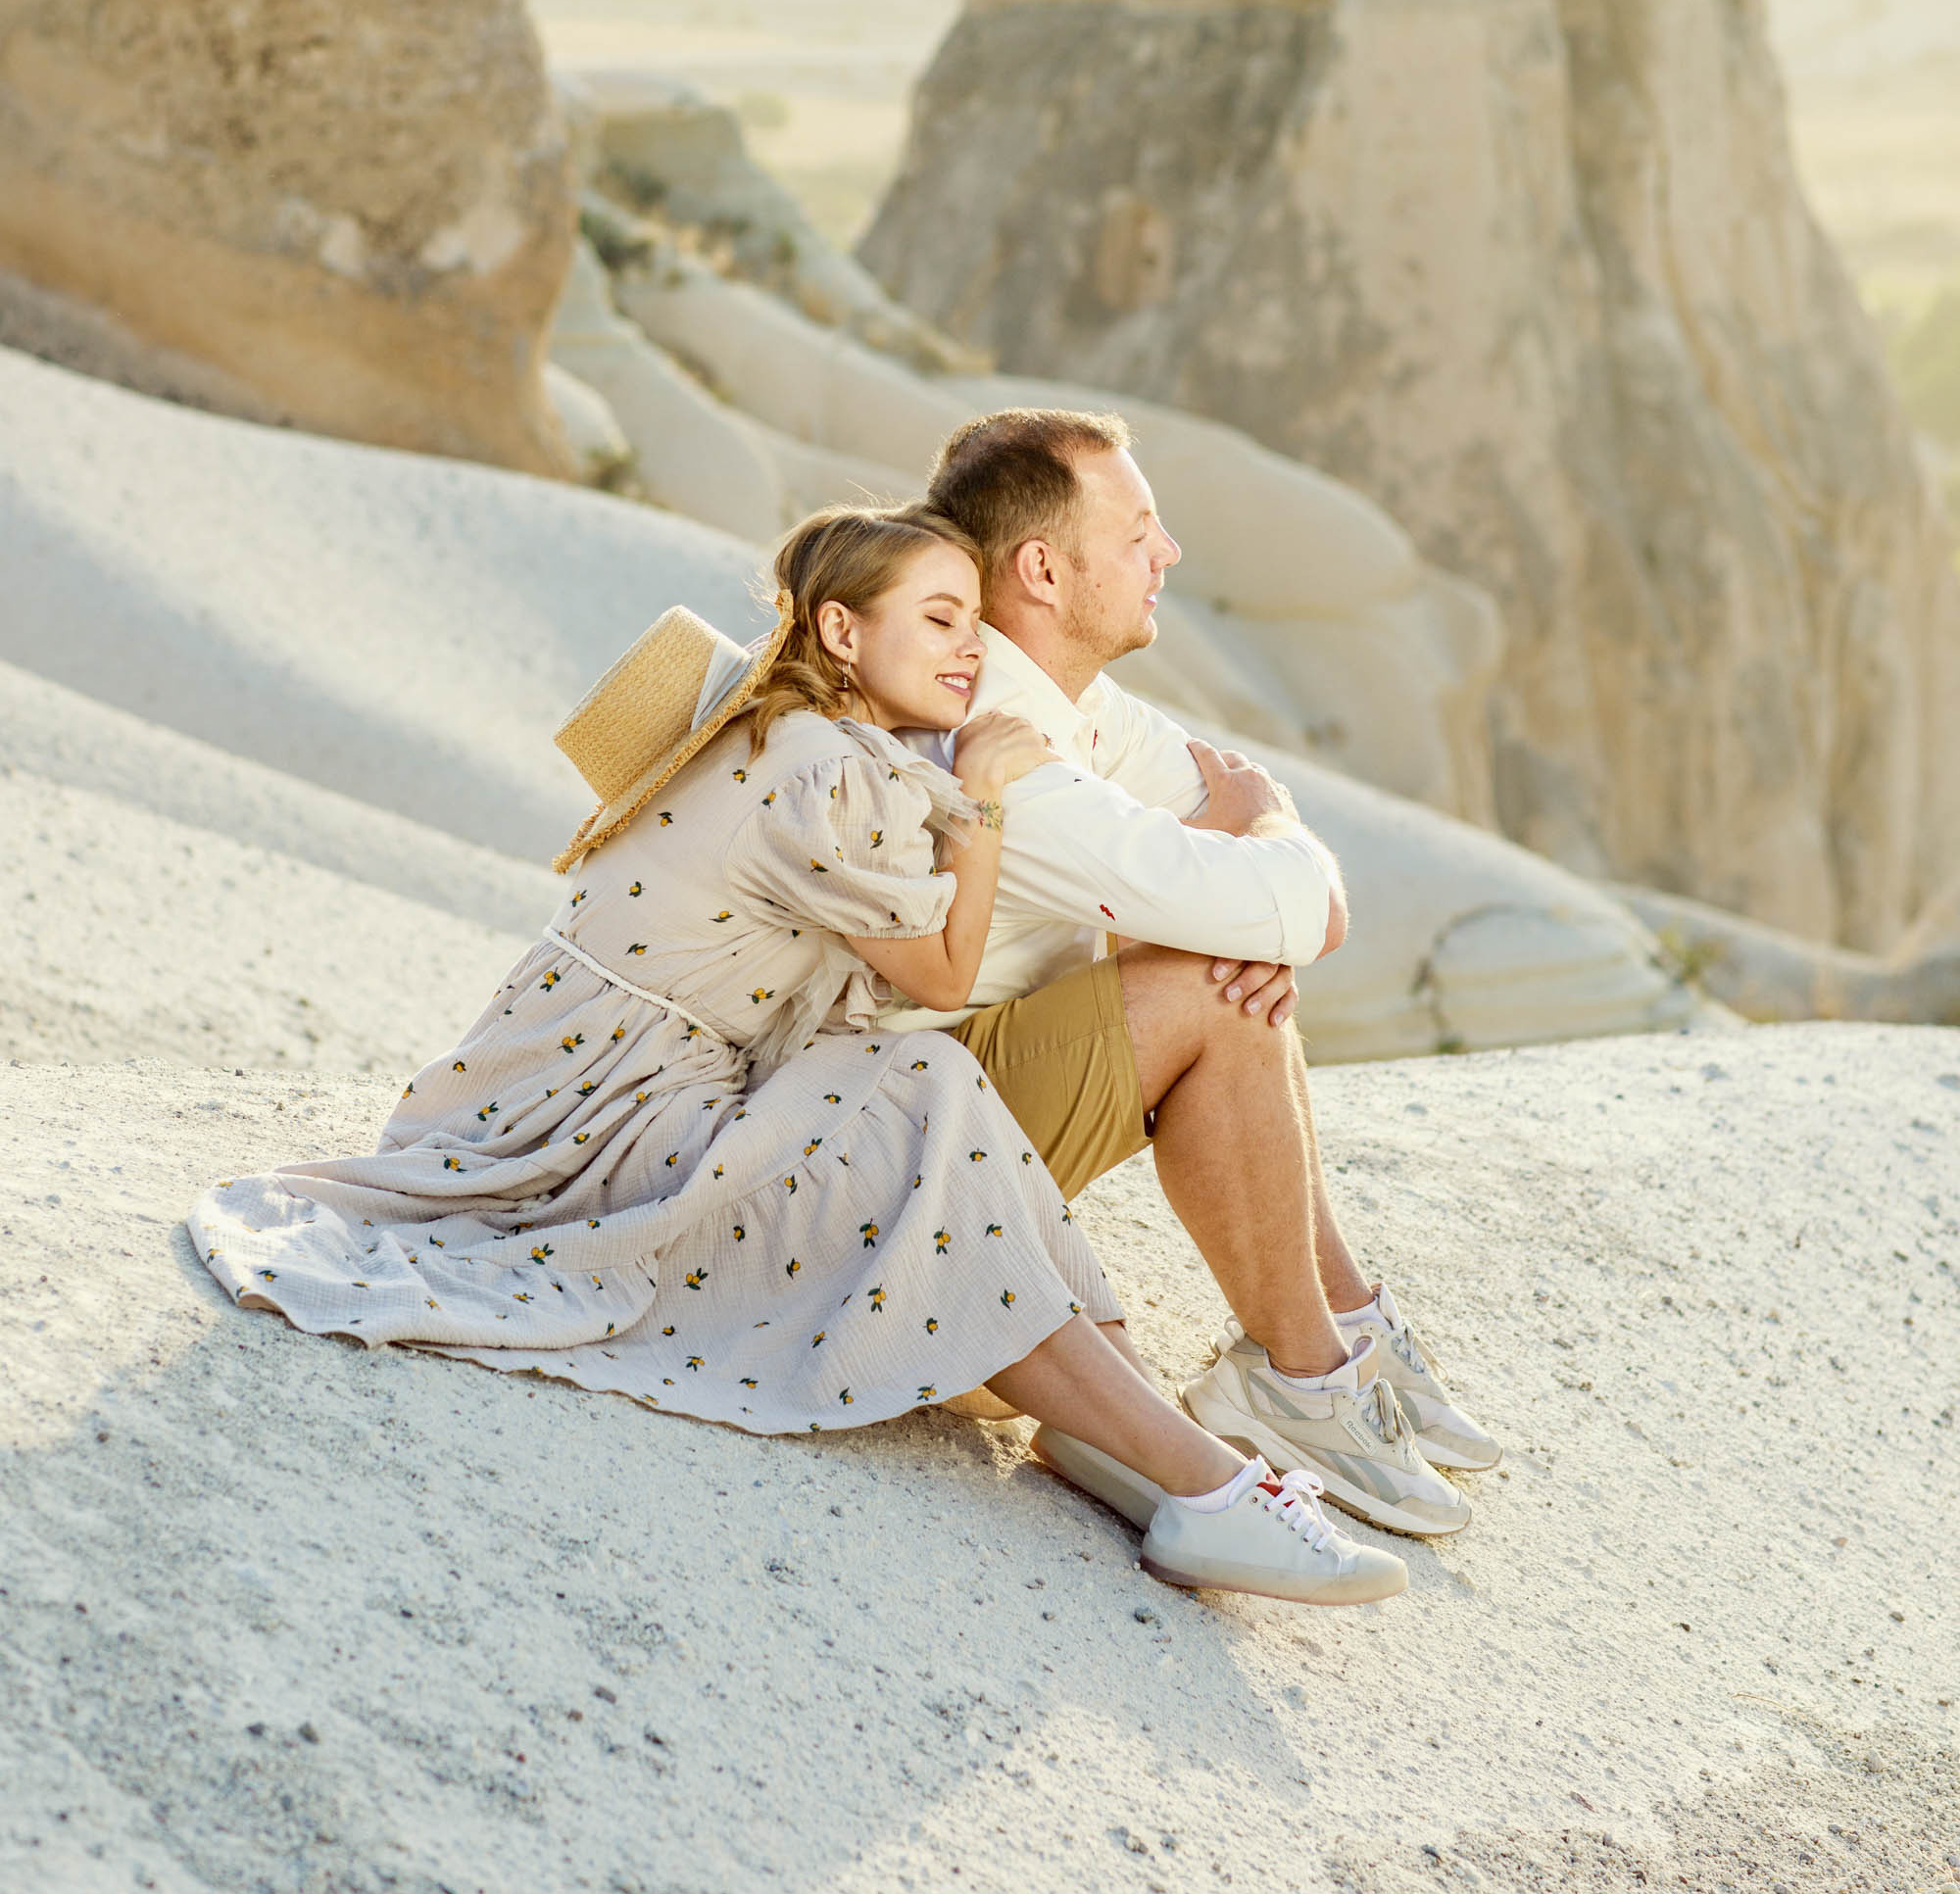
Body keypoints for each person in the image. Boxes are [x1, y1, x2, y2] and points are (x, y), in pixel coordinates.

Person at [190, 503, 1407, 1608]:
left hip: (570, 1073)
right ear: (839, 628)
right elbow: (933, 972)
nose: (969, 652)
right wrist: (981, 799)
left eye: (975, 625)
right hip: (621, 1110)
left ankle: (1144, 1445)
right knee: (907, 1108)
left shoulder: (780, 734)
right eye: (938, 620)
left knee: (916, 1092)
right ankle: (1193, 1478)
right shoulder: (828, 772)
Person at [887, 408, 1501, 1540]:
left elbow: (1228, 794)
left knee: (1224, 948)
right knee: (1220, 974)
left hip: (969, 1093)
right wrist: (1258, 873)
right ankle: (1301, 1377)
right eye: (1136, 532)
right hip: (906, 1141)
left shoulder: (1065, 699)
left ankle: (1347, 1325)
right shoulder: (996, 737)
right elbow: (1306, 904)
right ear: (1040, 568)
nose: (1164, 555)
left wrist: (1254, 843)